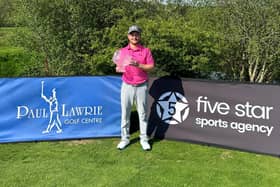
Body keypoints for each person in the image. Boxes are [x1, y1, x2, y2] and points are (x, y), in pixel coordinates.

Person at [115, 25, 155, 151]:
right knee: (125, 113)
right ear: (128, 36)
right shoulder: (122, 51)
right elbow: (118, 68)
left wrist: (138, 65)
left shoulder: (146, 51)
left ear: (139, 36)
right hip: (127, 85)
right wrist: (119, 68)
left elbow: (151, 67)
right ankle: (125, 139)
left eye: (136, 34)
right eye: (132, 34)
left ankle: (144, 139)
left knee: (142, 114)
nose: (134, 37)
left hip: (141, 85)